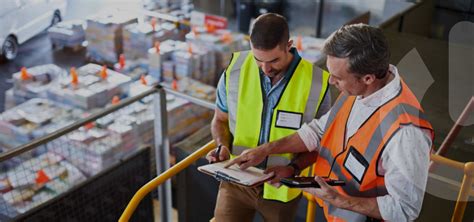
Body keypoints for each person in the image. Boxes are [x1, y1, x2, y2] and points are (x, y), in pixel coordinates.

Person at [226, 24, 434, 221]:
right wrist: (266, 150)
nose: (330, 81)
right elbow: (317, 132)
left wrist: (337, 199)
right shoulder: (356, 90)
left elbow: (405, 209)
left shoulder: (406, 133)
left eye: (337, 77)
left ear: (368, 78)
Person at [205, 13, 331, 221]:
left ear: (288, 45)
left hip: (281, 189)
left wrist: (293, 168)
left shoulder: (317, 83)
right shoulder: (235, 70)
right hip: (236, 180)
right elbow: (219, 119)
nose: (265, 69)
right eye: (258, 60)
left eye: (273, 61)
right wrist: (222, 145)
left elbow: (322, 143)